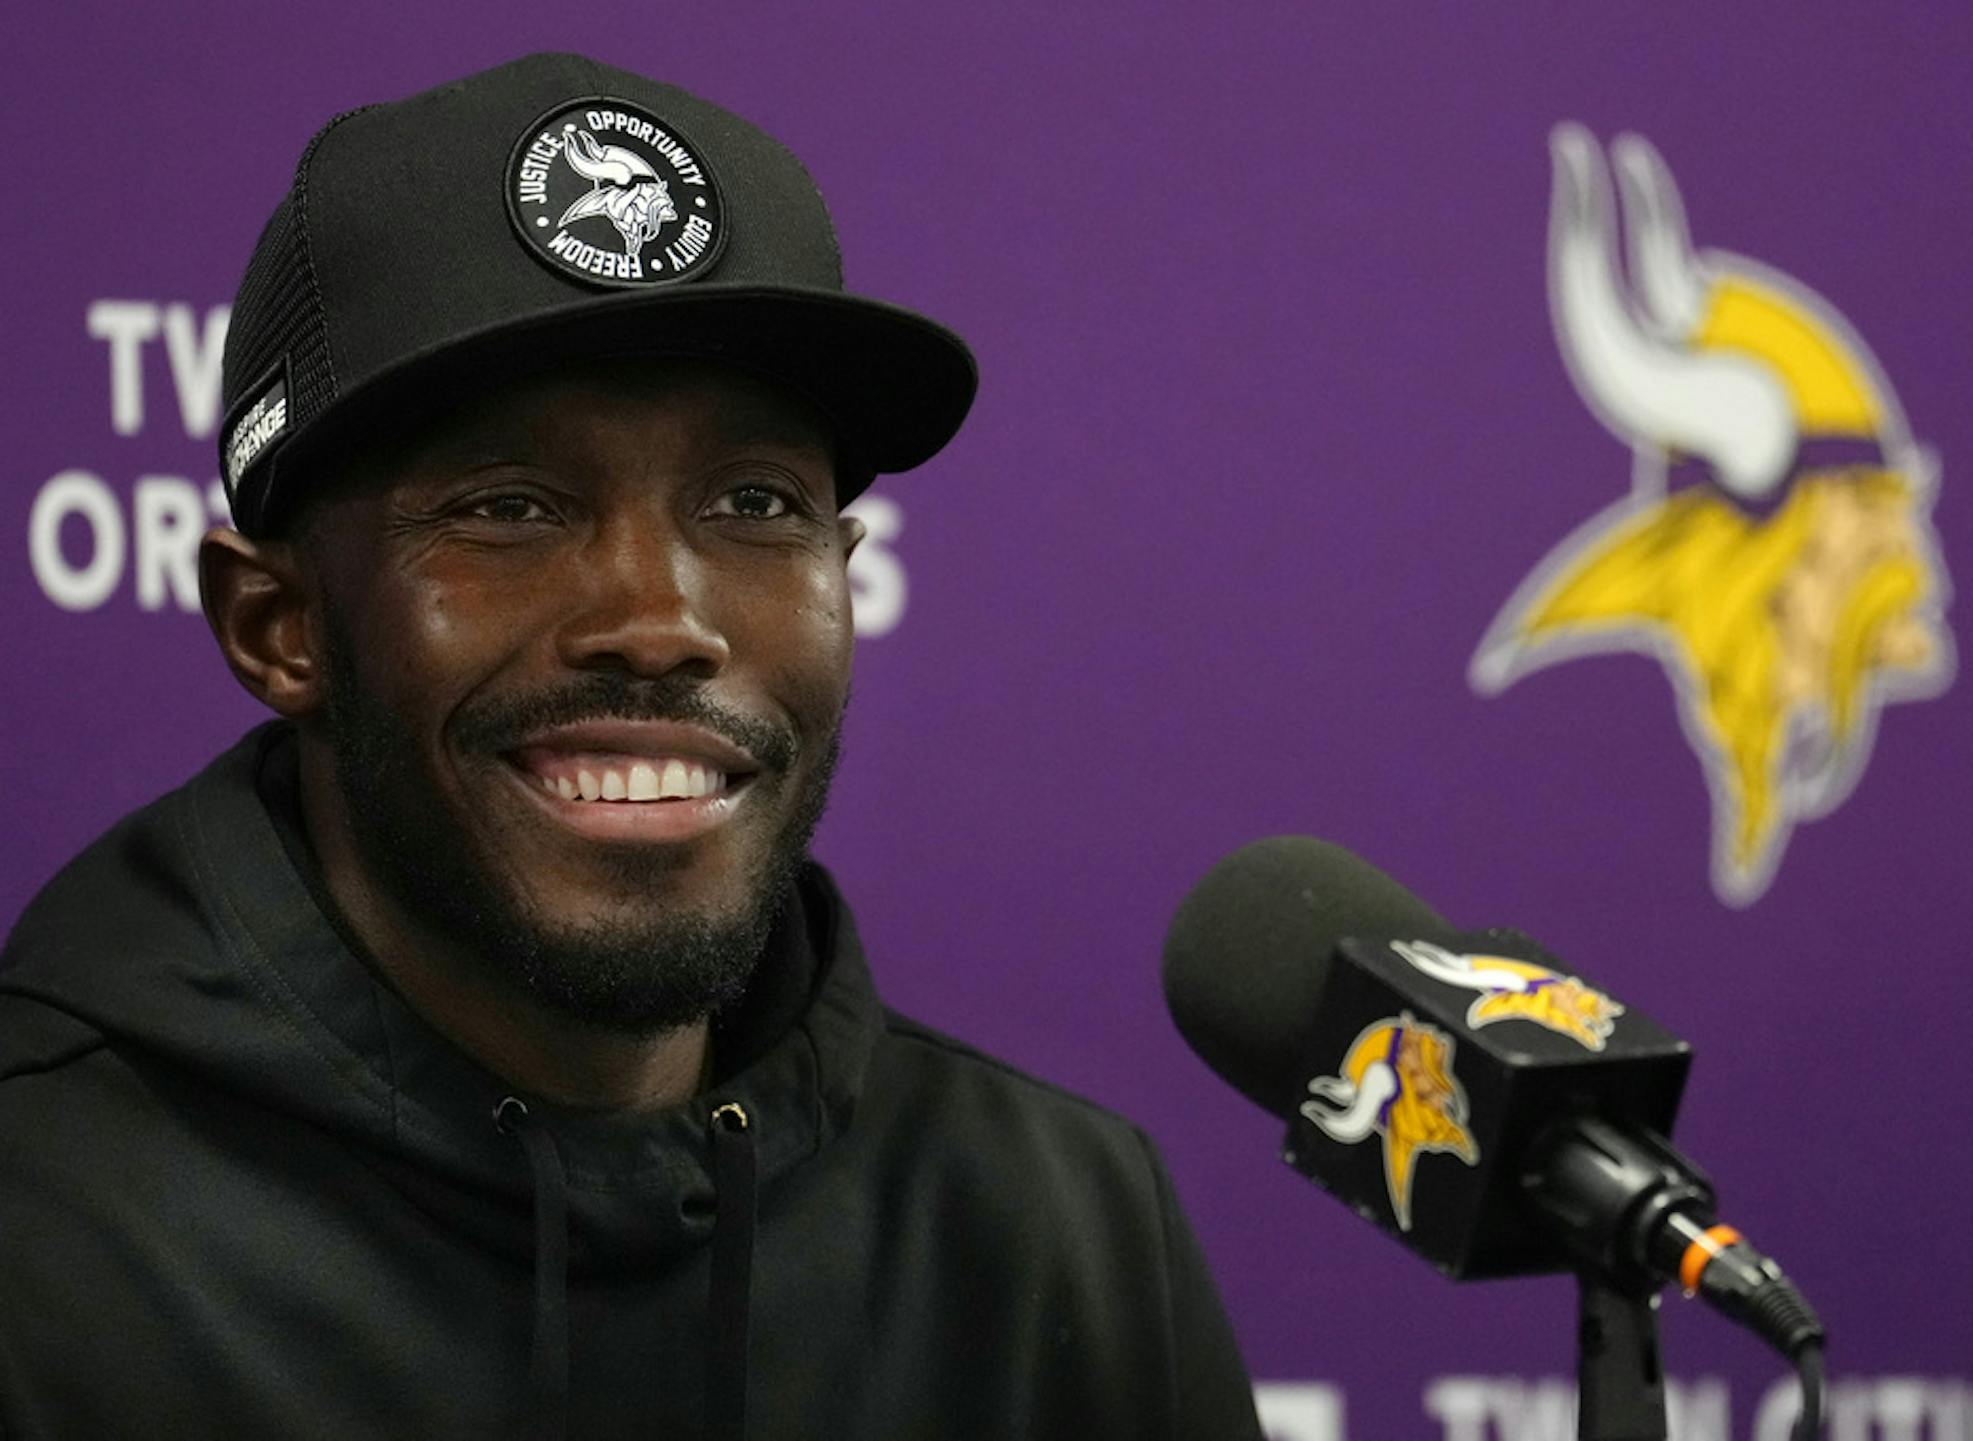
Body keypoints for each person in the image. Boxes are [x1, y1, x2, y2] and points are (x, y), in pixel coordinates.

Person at [0, 53, 1263, 1440]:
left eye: (755, 500)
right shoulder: (42, 1233)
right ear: (280, 624)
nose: (661, 620)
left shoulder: (1058, 1238)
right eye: (511, 506)